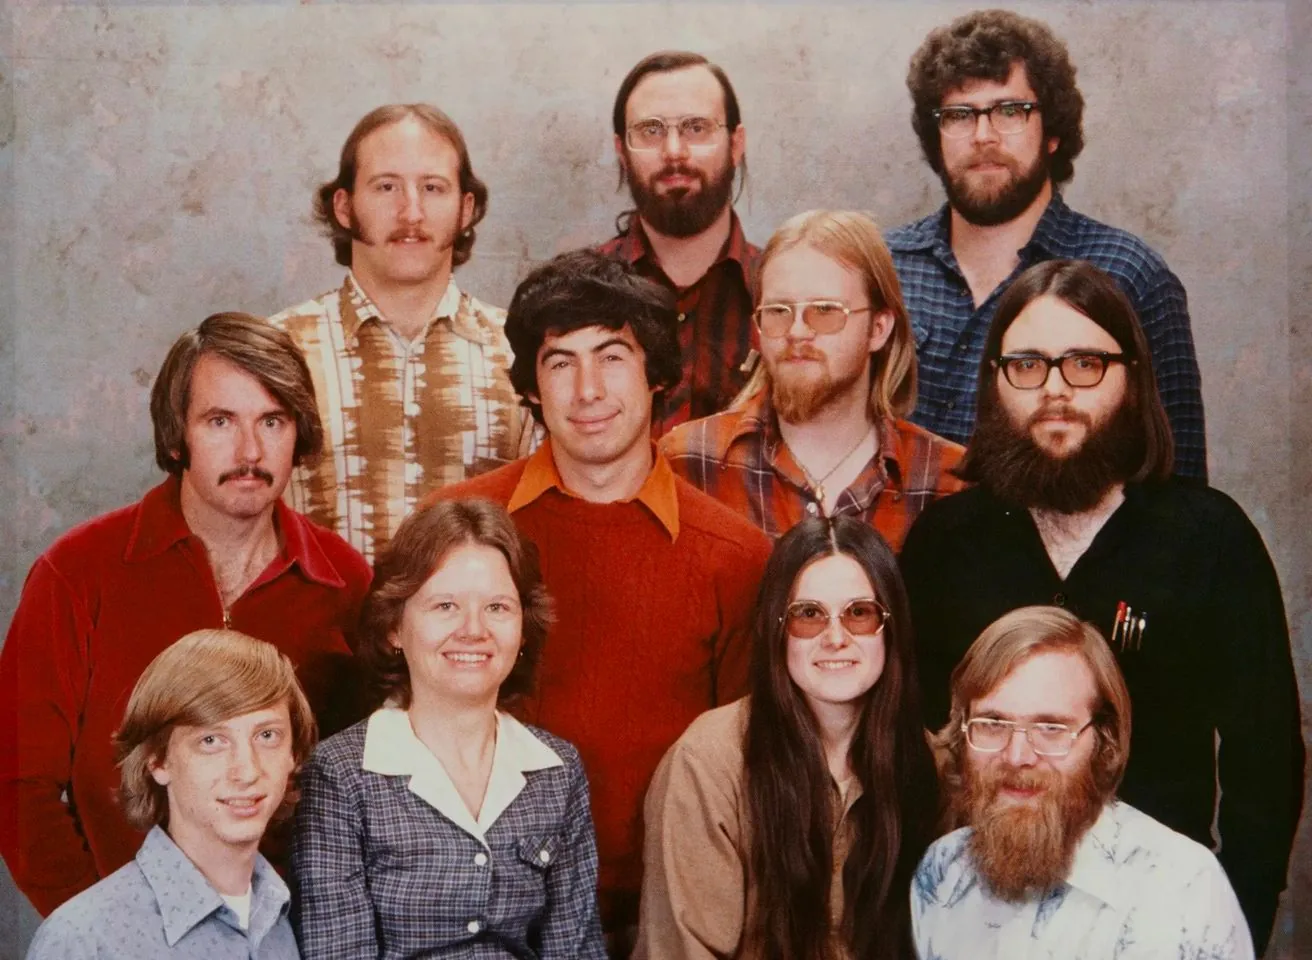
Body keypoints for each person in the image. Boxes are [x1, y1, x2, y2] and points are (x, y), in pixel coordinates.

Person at [899, 260, 1302, 952]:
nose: (1055, 390)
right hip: (979, 917)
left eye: (1085, 363)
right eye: (1027, 364)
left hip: (1155, 923)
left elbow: (1264, 763)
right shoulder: (945, 543)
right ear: (995, 381)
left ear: (1133, 377)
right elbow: (906, 741)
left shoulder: (1208, 539)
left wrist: (1232, 919)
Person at [428, 250, 771, 945]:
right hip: (481, 914)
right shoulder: (451, 531)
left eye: (613, 357)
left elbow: (747, 770)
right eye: (560, 362)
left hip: (666, 918)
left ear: (658, 379)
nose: (588, 390)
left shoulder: (737, 557)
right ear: (531, 386)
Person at [0, 312, 370, 916]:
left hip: (289, 938)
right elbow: (17, 783)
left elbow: (365, 797)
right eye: (220, 421)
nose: (250, 451)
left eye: (272, 421)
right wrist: (103, 927)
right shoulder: (79, 572)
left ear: (298, 435)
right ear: (178, 436)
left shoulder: (346, 584)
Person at [886, 9, 1207, 479]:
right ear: (935, 135)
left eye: (1010, 111)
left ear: (1053, 131)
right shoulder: (884, 269)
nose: (983, 135)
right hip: (896, 552)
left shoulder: (1130, 274)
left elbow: (1179, 485)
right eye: (959, 115)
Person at [292, 499, 606, 959]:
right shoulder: (340, 775)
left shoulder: (557, 771)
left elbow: (575, 950)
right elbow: (338, 952)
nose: (473, 630)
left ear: (523, 627)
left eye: (497, 607)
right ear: (394, 628)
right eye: (445, 606)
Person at [635, 516, 937, 960]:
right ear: (777, 630)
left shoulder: (928, 760)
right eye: (809, 615)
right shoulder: (709, 760)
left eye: (859, 613)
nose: (836, 638)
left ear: (890, 628)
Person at [912, 606, 1254, 960]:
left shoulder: (1186, 887)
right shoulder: (942, 871)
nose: (1016, 756)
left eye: (1051, 728)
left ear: (1104, 741)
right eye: (992, 723)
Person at [269, 103, 530, 562]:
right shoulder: (277, 351)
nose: (411, 212)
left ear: (466, 208)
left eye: (433, 188)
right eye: (386, 186)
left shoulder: (522, 351)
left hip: (472, 633)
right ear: (345, 206)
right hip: (316, 634)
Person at [661, 209, 964, 547]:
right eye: (778, 311)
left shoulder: (948, 482)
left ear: (878, 329)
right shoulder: (687, 462)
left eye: (824, 311)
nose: (797, 332)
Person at [28, 629, 318, 959]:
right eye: (211, 741)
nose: (247, 771)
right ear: (158, 760)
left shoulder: (290, 924)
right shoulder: (84, 940)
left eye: (267, 735)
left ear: (293, 754)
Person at [600, 51, 759, 433]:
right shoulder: (579, 293)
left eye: (696, 127)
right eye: (651, 130)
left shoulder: (782, 297)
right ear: (622, 152)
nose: (674, 151)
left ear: (736, 144)